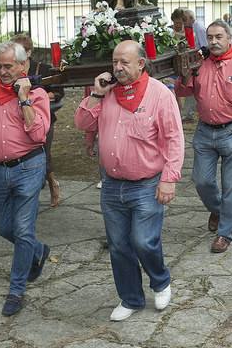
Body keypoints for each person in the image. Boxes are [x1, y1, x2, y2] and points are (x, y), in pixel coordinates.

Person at [74, 41, 184, 322]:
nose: (118, 68)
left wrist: (169, 179)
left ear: (140, 64)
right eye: (114, 62)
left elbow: (173, 139)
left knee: (143, 241)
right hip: (111, 184)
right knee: (119, 245)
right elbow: (83, 124)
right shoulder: (105, 93)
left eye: (124, 62)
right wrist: (97, 95)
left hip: (147, 183)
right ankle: (131, 298)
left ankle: (160, 281)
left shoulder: (159, 95)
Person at [0, 41, 51, 316]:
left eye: (9, 66)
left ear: (22, 65)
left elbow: (39, 135)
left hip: (29, 166)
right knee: (6, 229)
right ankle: (38, 250)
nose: (3, 71)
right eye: (0, 66)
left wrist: (24, 98)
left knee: (23, 229)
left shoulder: (37, 94)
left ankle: (16, 291)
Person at [175, 20, 232, 253]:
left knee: (231, 187)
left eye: (219, 37)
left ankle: (225, 233)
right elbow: (182, 91)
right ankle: (218, 210)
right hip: (205, 131)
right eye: (210, 37)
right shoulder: (201, 64)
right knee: (201, 181)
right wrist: (186, 75)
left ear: (229, 38)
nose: (214, 42)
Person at [12, 34, 64, 206]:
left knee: (43, 155)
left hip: (43, 119)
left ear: (28, 53)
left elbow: (58, 93)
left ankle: (52, 184)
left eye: (18, 51)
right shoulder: (11, 70)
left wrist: (37, 96)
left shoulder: (43, 69)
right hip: (17, 119)